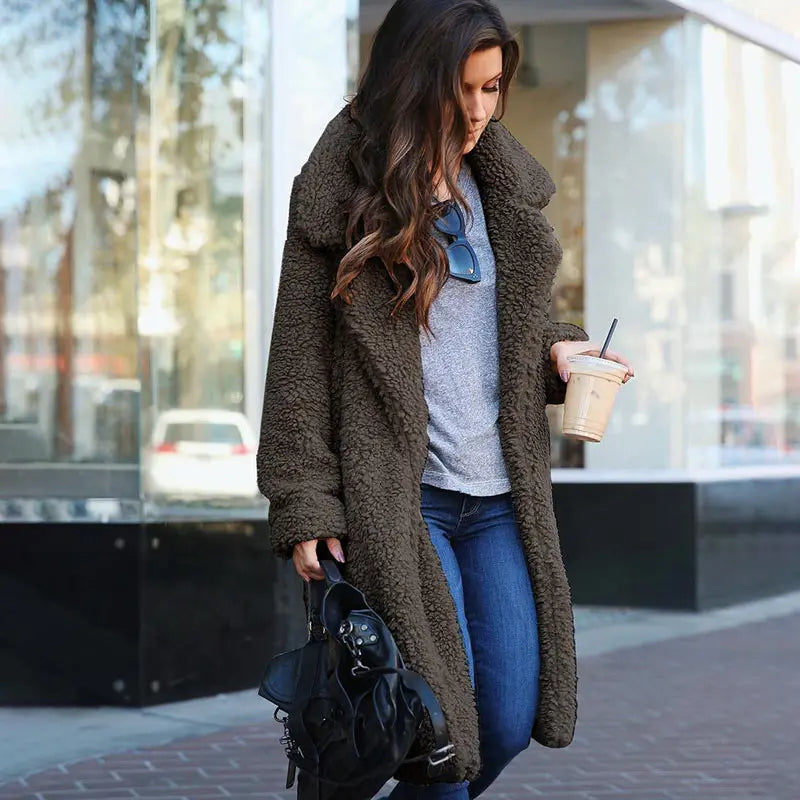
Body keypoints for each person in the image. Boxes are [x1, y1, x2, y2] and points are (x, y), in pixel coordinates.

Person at [257, 1, 633, 798]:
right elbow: (297, 362)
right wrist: (303, 501)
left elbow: (504, 330)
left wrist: (560, 349)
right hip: (401, 501)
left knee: (505, 721)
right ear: (413, 79)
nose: (478, 110)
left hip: (498, 499)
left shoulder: (497, 189)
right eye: (461, 89)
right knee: (439, 734)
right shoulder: (341, 191)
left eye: (492, 88)